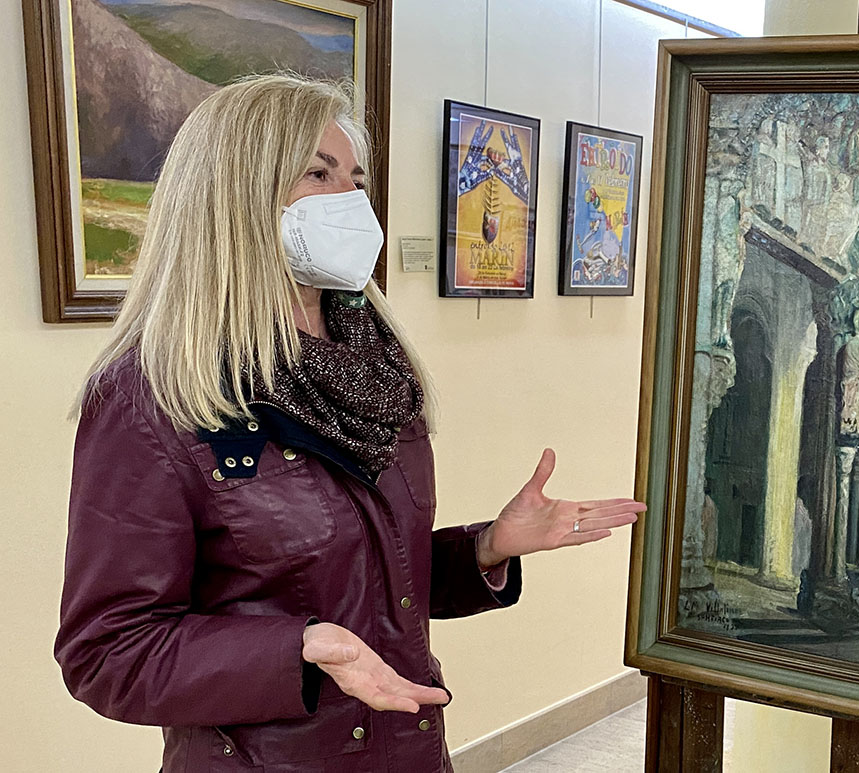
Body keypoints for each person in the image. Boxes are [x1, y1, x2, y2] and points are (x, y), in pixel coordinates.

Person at [54, 75, 645, 772]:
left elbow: (365, 578)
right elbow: (108, 651)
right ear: (238, 194)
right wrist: (297, 648)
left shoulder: (376, 368)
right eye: (319, 173)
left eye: (356, 179)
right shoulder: (152, 394)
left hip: (406, 744)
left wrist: (485, 549)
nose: (352, 200)